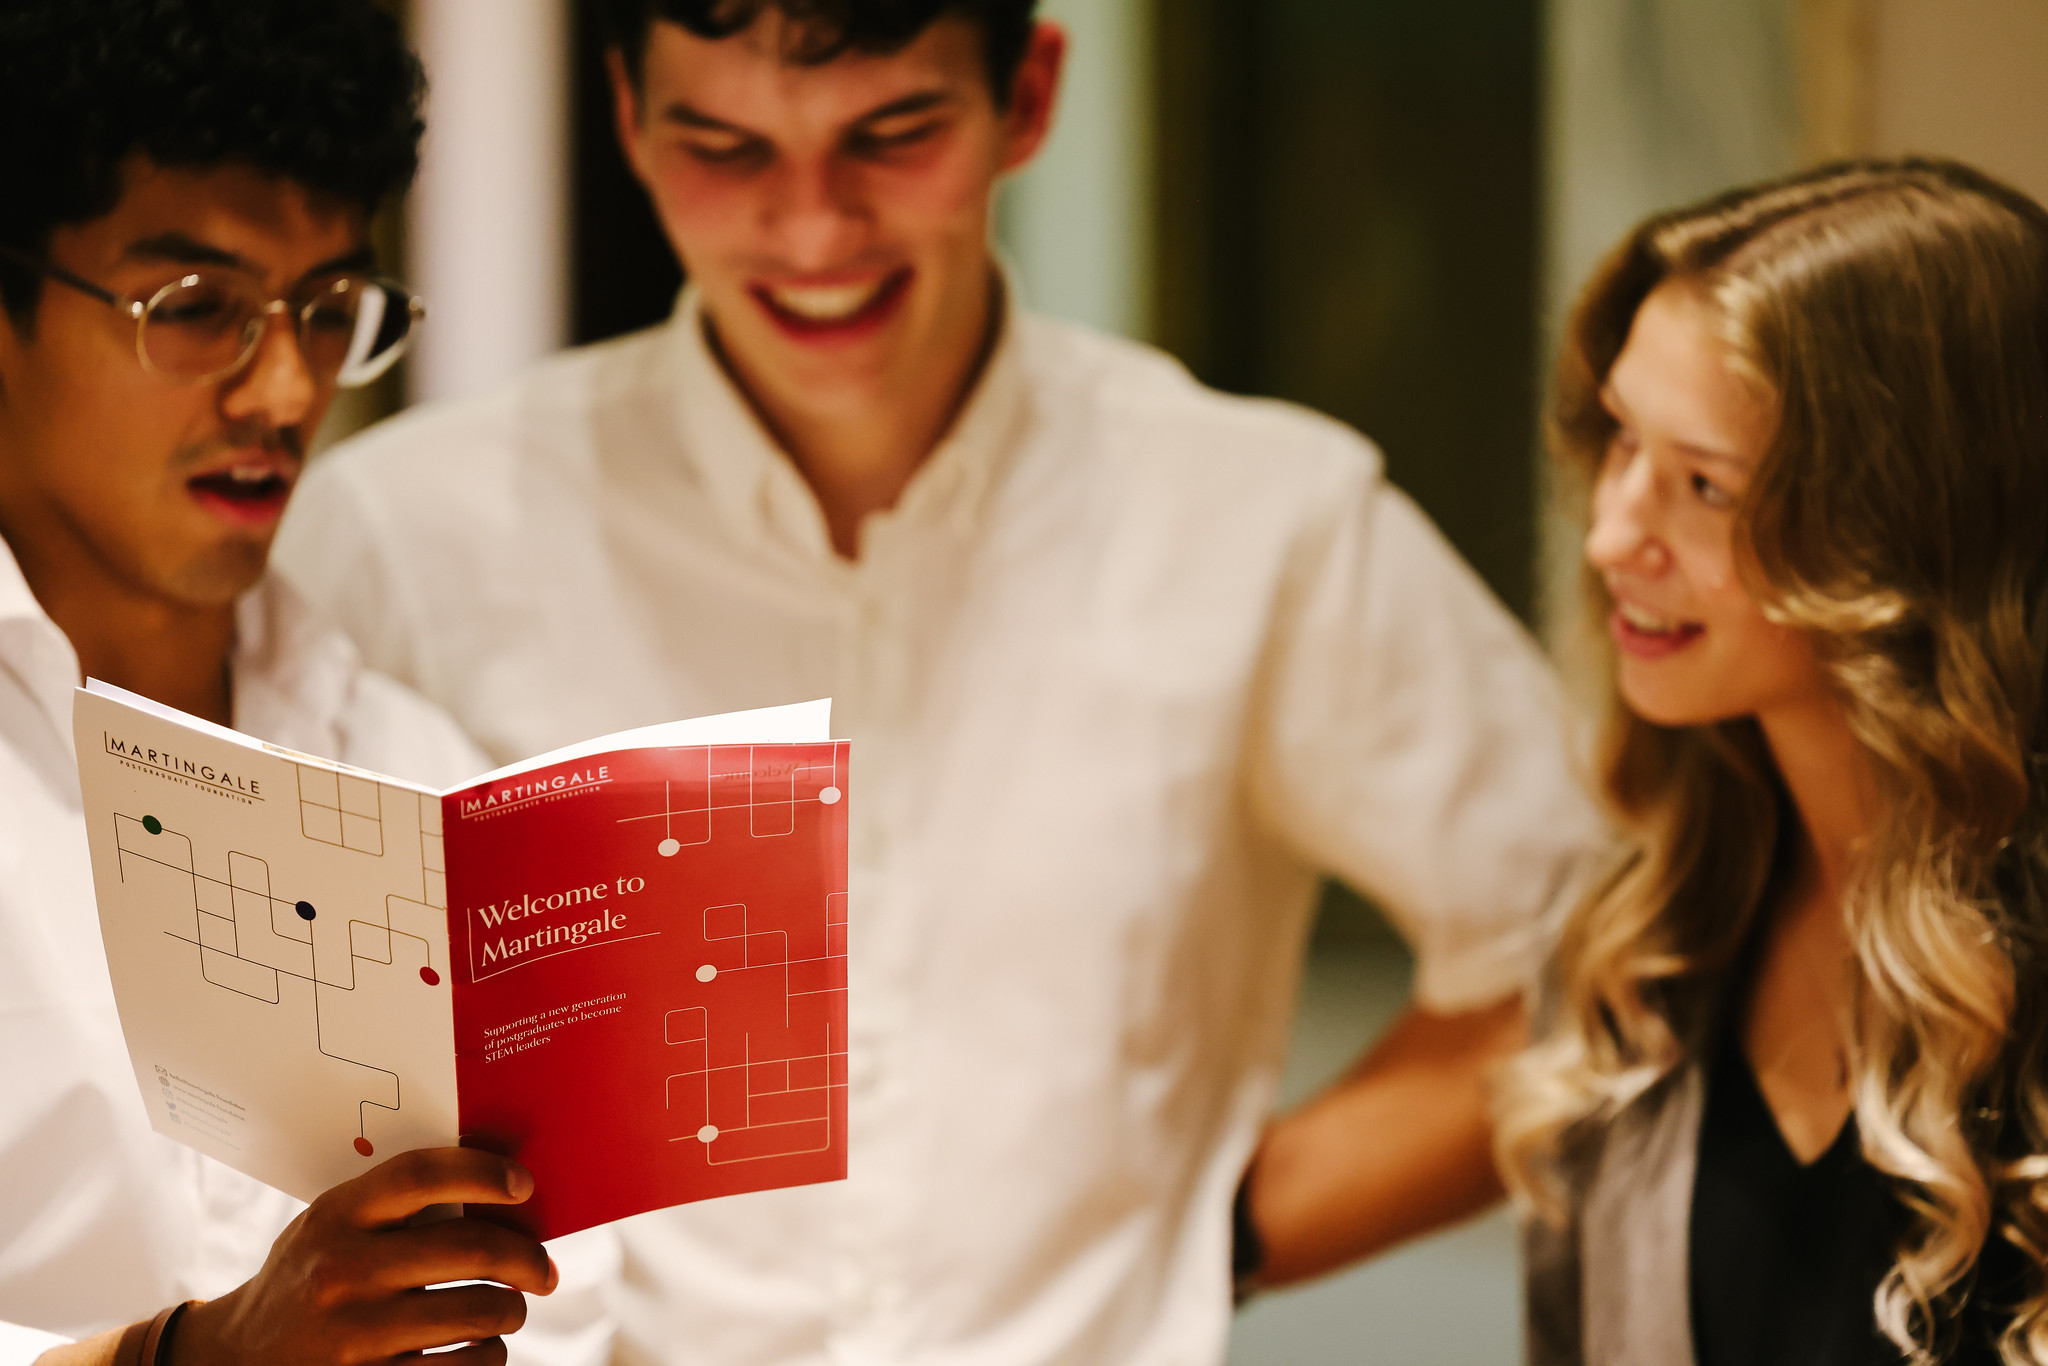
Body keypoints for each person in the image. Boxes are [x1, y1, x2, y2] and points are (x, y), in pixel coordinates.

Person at [275, 0, 1605, 1360]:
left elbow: (1605, 946)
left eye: (893, 135)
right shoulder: (408, 531)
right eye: (725, 148)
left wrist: (1214, 1240)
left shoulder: (1263, 519)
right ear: (627, 117)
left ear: (1026, 97)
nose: (811, 230)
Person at [0, 3, 562, 1362]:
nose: (286, 389)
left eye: (326, 310)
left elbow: (571, 1299)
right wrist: (195, 1355)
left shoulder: (417, 773)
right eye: (197, 309)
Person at [1494, 158, 2048, 1365]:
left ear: (1902, 529)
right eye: (1619, 439)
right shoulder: (1631, 948)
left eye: (1703, 485)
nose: (1609, 534)